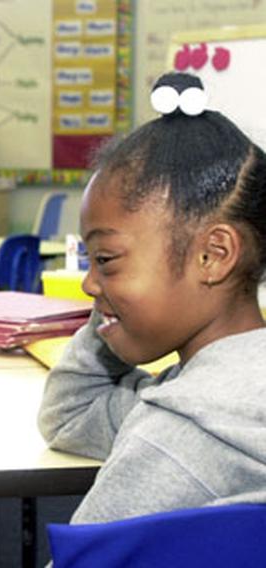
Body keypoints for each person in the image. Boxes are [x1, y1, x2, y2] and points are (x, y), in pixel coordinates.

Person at [37, 72, 266, 526]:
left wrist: (111, 297)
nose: (87, 284)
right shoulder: (229, 390)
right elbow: (72, 414)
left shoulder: (175, 436)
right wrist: (111, 297)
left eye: (104, 258)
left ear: (213, 255)